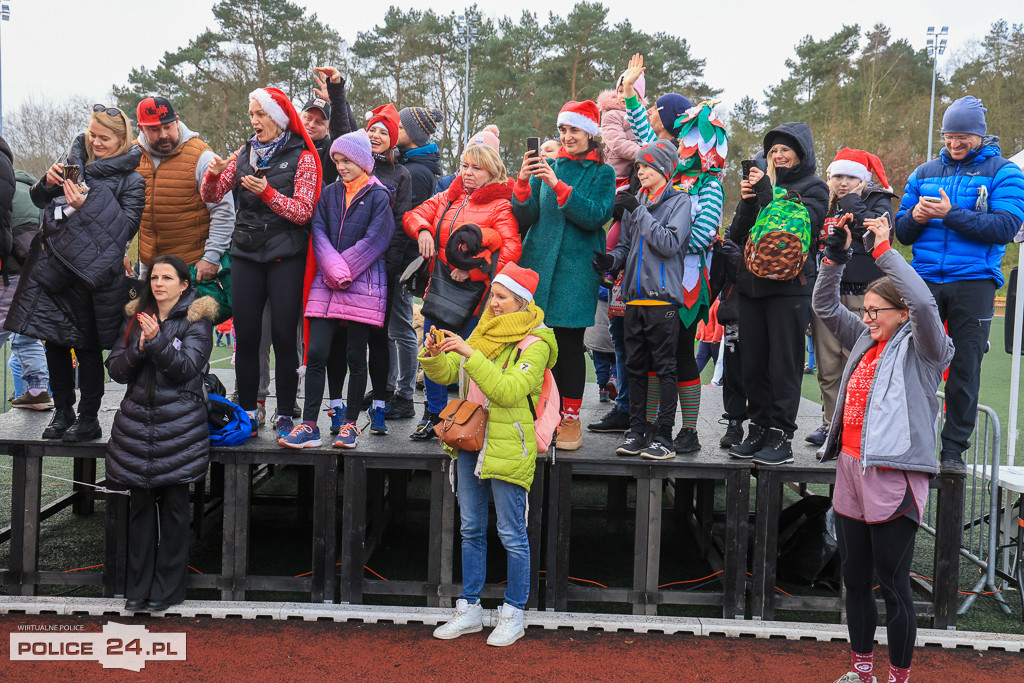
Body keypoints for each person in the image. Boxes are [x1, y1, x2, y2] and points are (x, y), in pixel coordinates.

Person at [813, 217, 953, 683]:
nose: (868, 318)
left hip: (894, 476)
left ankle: (898, 676)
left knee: (894, 585)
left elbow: (924, 302)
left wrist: (884, 252)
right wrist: (834, 258)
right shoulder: (864, 340)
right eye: (866, 311)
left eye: (876, 311)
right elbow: (824, 305)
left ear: (901, 313)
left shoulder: (927, 349)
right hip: (851, 469)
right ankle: (861, 671)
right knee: (854, 579)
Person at [422, 262, 556, 647]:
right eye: (493, 296)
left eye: (501, 297)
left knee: (511, 532)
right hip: (471, 440)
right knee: (470, 528)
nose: (493, 303)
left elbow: (508, 391)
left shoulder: (537, 343)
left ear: (521, 301)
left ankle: (514, 613)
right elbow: (449, 373)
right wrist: (434, 354)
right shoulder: (483, 332)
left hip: (510, 443)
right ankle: (471, 609)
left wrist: (469, 352)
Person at [894, 95, 1024, 474]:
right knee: (914, 363)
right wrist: (916, 217)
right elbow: (902, 232)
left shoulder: (1004, 172)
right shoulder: (923, 172)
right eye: (949, 136)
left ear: (980, 135)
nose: (954, 143)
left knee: (965, 368)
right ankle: (910, 443)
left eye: (963, 136)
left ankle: (953, 451)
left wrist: (951, 214)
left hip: (975, 281)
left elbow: (1005, 227)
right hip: (925, 279)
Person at [5, 104, 145, 441]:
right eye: (92, 134)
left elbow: (125, 230)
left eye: (104, 138)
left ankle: (88, 417)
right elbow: (40, 200)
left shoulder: (132, 180)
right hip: (53, 268)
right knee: (53, 342)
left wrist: (88, 205)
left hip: (92, 275)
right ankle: (63, 410)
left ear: (121, 139)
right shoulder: (73, 162)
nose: (95, 142)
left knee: (87, 348)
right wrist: (46, 182)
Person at [201, 87, 323, 440]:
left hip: (286, 256)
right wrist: (213, 174)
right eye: (251, 114)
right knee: (247, 336)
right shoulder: (243, 152)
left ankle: (285, 413)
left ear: (279, 118)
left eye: (260, 114)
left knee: (284, 337)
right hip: (245, 254)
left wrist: (267, 193)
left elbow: (303, 212)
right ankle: (249, 410)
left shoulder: (303, 156)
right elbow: (211, 195)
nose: (254, 121)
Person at [106, 254, 217, 613]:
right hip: (136, 426)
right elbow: (116, 370)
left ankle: (168, 590)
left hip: (180, 428)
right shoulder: (134, 316)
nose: (158, 284)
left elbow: (187, 368)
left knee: (174, 512)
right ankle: (137, 589)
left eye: (167, 278)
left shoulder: (197, 320)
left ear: (184, 284)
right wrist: (140, 346)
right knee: (138, 511)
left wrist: (155, 342)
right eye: (154, 277)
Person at [280, 130, 394, 450]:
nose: (341, 166)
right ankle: (310, 425)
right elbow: (318, 232)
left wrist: (342, 271)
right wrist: (335, 271)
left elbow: (377, 239)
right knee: (317, 353)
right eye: (337, 161)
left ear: (362, 162)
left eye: (347, 161)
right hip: (328, 284)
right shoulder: (329, 193)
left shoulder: (379, 195)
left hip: (363, 287)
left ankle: (350, 425)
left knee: (356, 356)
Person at [513, 100, 615, 450]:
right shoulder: (548, 166)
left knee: (569, 347)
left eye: (574, 130)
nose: (567, 136)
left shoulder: (603, 173)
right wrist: (523, 183)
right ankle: (540, 414)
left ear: (589, 133)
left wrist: (558, 185)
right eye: (563, 130)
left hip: (576, 274)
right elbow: (525, 217)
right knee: (536, 346)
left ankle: (570, 420)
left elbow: (596, 215)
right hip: (538, 269)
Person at [726, 122, 828, 465]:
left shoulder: (815, 187)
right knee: (753, 363)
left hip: (790, 288)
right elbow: (737, 234)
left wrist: (768, 193)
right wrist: (747, 201)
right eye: (773, 151)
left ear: (802, 153)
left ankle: (781, 436)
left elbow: (808, 228)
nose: (779, 155)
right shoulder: (761, 185)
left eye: (786, 149)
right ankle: (758, 428)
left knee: (784, 363)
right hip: (752, 286)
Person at [404, 143, 522, 439]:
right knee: (433, 353)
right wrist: (423, 229)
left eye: (476, 168)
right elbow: (414, 214)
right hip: (440, 289)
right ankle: (433, 415)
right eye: (465, 166)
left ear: (492, 172)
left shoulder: (501, 205)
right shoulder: (449, 195)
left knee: (470, 360)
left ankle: (467, 419)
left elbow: (511, 250)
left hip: (473, 299)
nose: (468, 173)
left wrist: (474, 271)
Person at [595, 141, 692, 460]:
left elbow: (669, 243)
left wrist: (638, 213)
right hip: (633, 301)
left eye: (647, 165)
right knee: (634, 368)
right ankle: (637, 432)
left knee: (665, 369)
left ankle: (663, 437)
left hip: (662, 301)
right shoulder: (637, 202)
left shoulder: (680, 201)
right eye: (638, 166)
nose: (641, 171)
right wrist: (611, 262)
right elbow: (625, 247)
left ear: (664, 168)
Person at [806, 148, 896, 453]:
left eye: (850, 177)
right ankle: (830, 423)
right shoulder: (825, 202)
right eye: (838, 176)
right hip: (828, 292)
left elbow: (879, 234)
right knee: (827, 365)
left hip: (863, 295)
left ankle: (856, 427)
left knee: (857, 363)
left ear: (862, 179)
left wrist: (852, 203)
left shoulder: (878, 199)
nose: (843, 183)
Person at [134, 96, 234, 280]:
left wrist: (211, 257)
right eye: (155, 130)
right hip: (149, 266)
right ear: (141, 128)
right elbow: (120, 212)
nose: (163, 135)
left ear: (177, 121)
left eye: (168, 127)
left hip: (191, 266)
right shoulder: (131, 157)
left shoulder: (202, 157)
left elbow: (223, 210)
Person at [3, 167, 51, 409]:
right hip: (37, 271)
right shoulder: (33, 191)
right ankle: (37, 389)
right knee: (27, 332)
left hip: (9, 272)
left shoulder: (6, 191)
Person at [598, 71, 646, 186]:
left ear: (639, 97)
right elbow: (617, 143)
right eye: (620, 91)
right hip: (617, 173)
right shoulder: (612, 115)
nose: (623, 95)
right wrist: (643, 152)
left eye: (629, 91)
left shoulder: (641, 117)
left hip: (636, 171)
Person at [396, 106, 444, 209]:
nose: (394, 130)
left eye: (400, 128)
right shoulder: (406, 161)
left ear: (414, 134)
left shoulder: (417, 173)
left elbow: (408, 214)